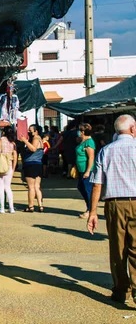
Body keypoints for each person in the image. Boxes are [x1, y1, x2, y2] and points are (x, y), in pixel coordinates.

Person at [88, 114, 136, 304]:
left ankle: (120, 289)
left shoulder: (105, 151)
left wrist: (92, 212)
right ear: (132, 129)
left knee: (117, 248)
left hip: (114, 204)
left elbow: (97, 184)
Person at [0, 127, 18, 214]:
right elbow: (15, 156)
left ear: (3, 132)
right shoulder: (13, 143)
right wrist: (13, 168)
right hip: (9, 165)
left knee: (0, 187)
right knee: (8, 187)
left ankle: (2, 208)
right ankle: (11, 208)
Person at [19, 124, 44, 212]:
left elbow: (33, 148)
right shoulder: (40, 139)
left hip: (31, 164)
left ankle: (31, 206)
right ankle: (40, 205)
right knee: (37, 186)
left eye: (30, 130)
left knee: (31, 187)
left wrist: (25, 141)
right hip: (38, 164)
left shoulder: (36, 138)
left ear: (36, 131)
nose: (29, 132)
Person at [75, 123, 96, 218]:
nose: (78, 132)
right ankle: (89, 207)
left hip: (87, 170)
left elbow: (91, 157)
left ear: (83, 132)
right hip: (80, 169)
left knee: (88, 190)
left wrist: (88, 171)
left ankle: (90, 209)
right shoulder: (83, 141)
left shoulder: (89, 143)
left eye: (80, 130)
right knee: (80, 187)